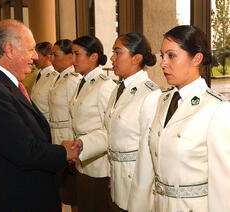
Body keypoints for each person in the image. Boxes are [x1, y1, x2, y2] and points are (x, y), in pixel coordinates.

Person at [0, 19, 79, 212]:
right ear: (9, 49)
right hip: (16, 199)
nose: (35, 56)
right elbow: (24, 150)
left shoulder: (3, 84)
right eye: (30, 50)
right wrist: (64, 152)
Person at [148, 25, 230, 212]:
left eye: (171, 55)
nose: (163, 63)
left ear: (197, 58)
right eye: (163, 56)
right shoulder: (164, 99)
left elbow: (223, 187)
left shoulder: (216, 109)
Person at [104, 32, 161, 212]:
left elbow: (151, 153)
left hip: (136, 186)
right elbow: (110, 132)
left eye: (117, 52)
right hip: (117, 181)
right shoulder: (118, 88)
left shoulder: (150, 94)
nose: (112, 58)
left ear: (136, 58)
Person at [64, 35, 116, 212]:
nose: (73, 59)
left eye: (77, 54)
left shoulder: (105, 86)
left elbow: (110, 129)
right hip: (82, 161)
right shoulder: (83, 82)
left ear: (93, 57)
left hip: (99, 165)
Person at [49, 39, 82, 212]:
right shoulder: (60, 78)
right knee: (64, 191)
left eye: (56, 55)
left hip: (67, 141)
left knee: (72, 193)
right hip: (57, 139)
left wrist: (72, 145)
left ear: (70, 57)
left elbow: (75, 115)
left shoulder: (72, 80)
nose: (52, 59)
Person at [30, 41, 58, 122]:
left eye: (37, 55)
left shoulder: (54, 76)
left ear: (48, 57)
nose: (34, 58)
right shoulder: (39, 73)